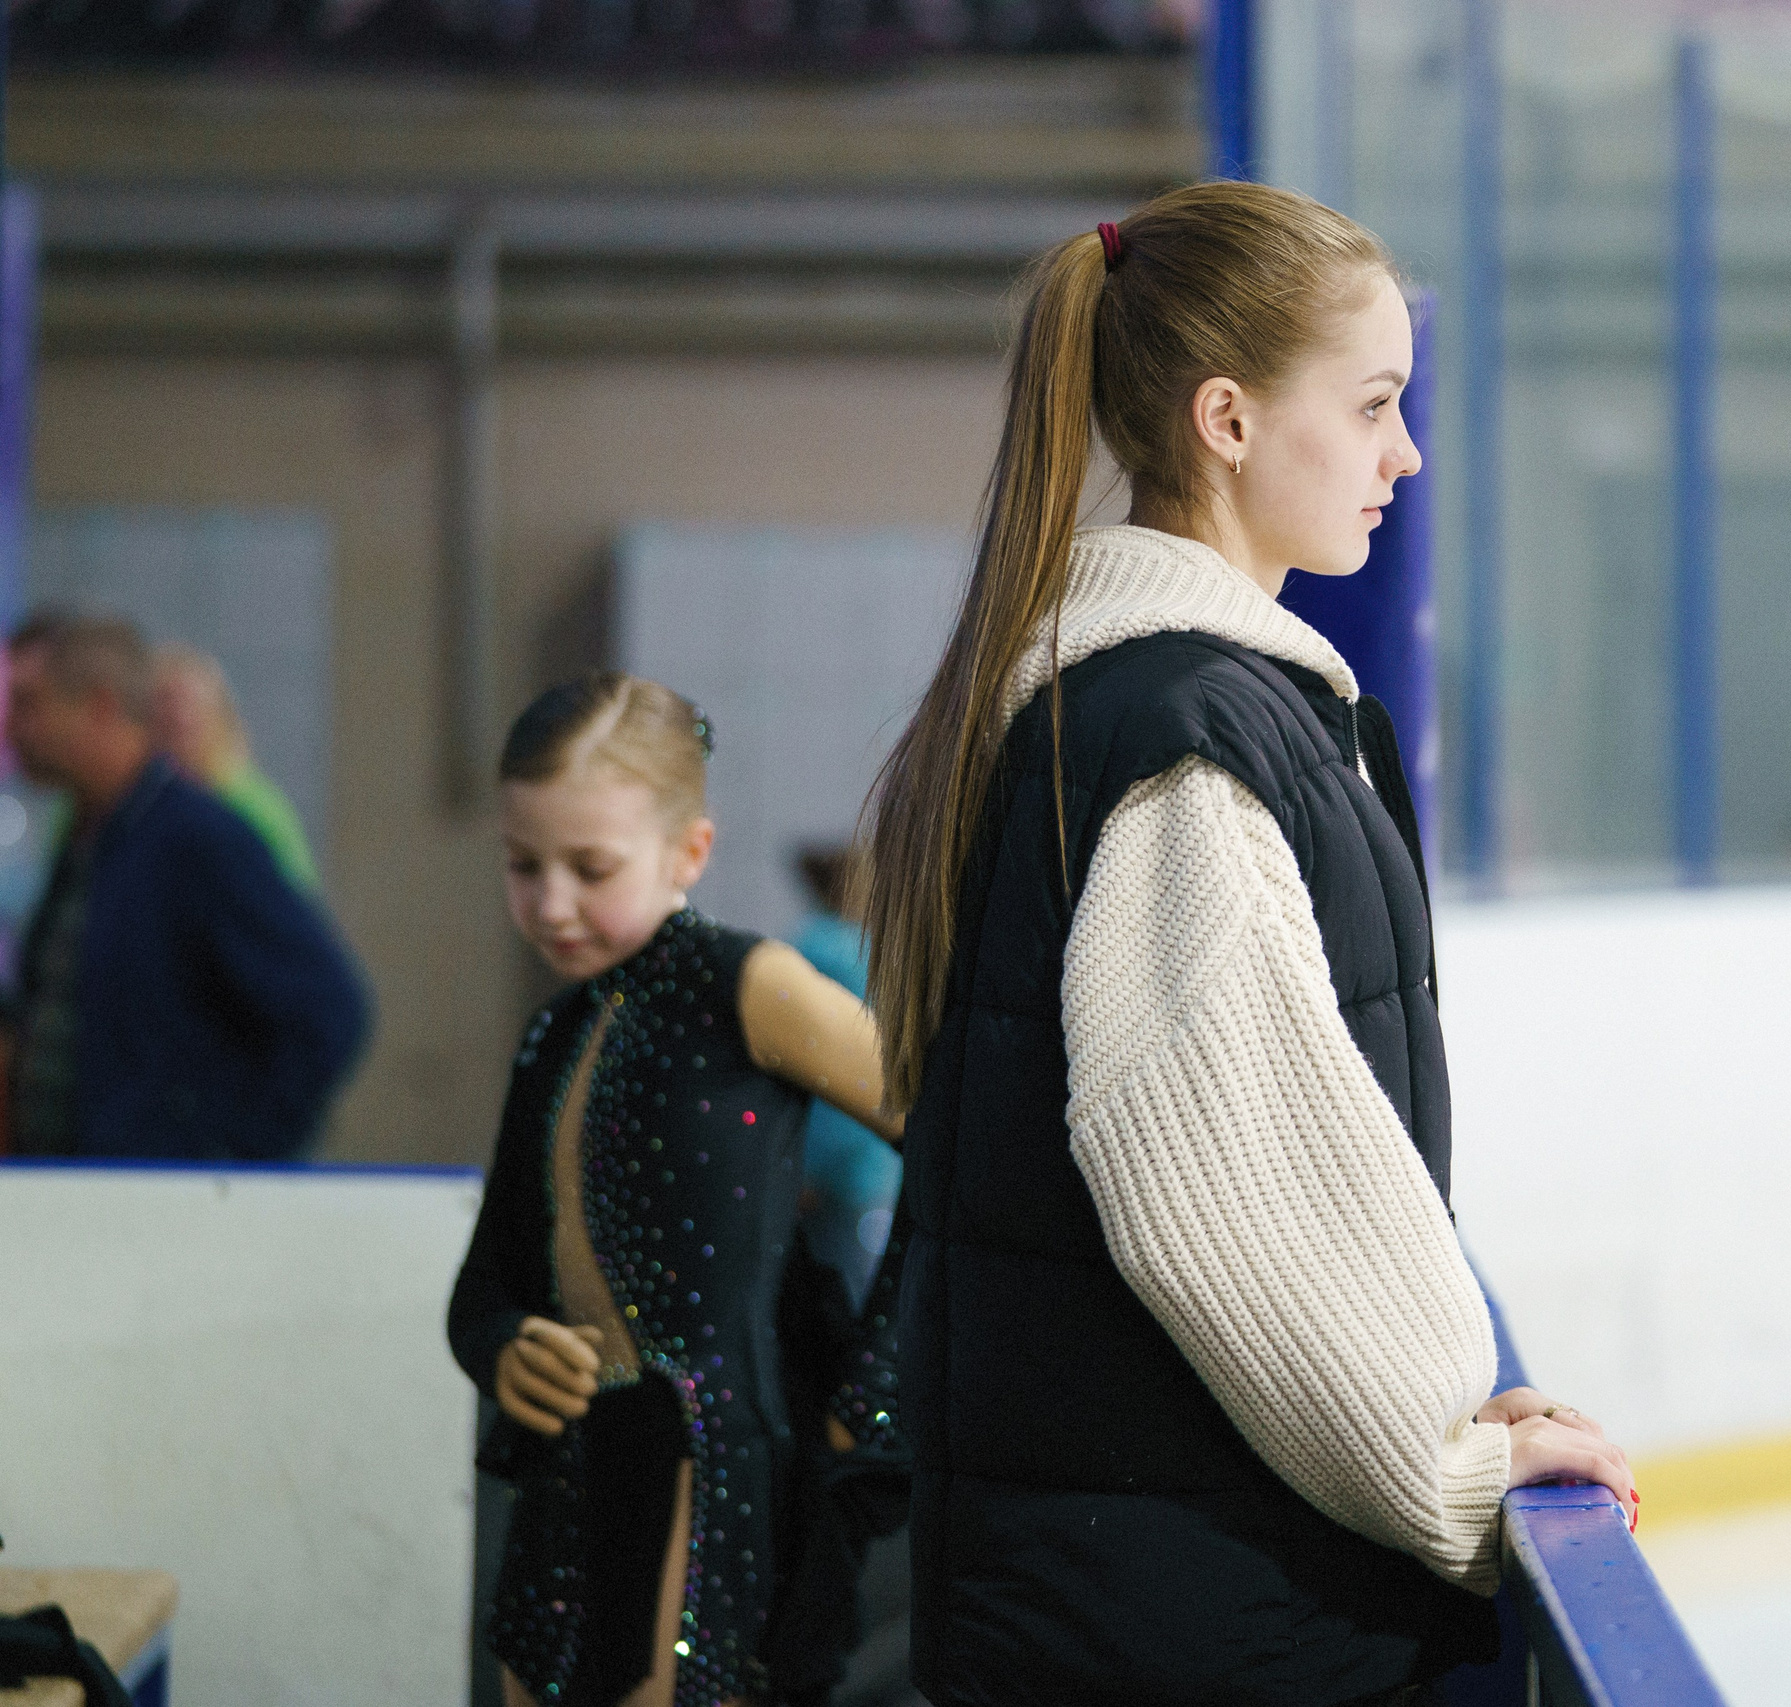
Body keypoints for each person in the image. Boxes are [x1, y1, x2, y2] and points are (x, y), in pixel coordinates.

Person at [861, 181, 1636, 1707]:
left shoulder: (1191, 707)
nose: (1402, 452)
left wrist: (1448, 1398)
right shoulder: (1185, 743)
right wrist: (1443, 1469)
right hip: (1191, 1626)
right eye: (1372, 405)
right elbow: (1222, 1206)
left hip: (1156, 1596)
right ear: (1227, 418)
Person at [445, 672, 903, 1707]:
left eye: (589, 867)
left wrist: (872, 1393)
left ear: (689, 852)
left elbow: (957, 1143)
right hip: (571, 1471)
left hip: (705, 1467)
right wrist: (504, 1344)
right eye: (523, 866)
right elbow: (487, 1282)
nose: (551, 903)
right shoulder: (554, 1037)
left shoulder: (752, 988)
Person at [2, 609, 370, 1160]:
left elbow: (330, 1011)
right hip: (73, 1194)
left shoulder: (197, 840)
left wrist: (228, 1164)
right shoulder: (86, 838)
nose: (14, 728)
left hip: (156, 1203)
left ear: (100, 707)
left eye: (33, 704)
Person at [789, 842, 902, 1303]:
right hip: (874, 1165)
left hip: (835, 1171)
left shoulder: (817, 951)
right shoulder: (872, 952)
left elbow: (830, 1082)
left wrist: (805, 1167)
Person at [149, 642, 322, 892]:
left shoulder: (252, 805)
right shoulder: (135, 806)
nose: (180, 716)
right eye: (166, 701)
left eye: (191, 702)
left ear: (219, 715)